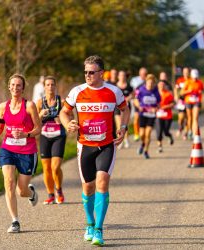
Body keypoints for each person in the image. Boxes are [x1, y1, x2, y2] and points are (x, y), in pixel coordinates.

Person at [59, 55, 130, 246]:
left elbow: (125, 110)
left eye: (91, 72)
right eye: (85, 72)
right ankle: (89, 223)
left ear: (101, 73)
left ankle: (99, 229)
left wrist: (123, 128)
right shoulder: (77, 92)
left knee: (102, 181)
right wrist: (68, 124)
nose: (88, 75)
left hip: (106, 145)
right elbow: (64, 112)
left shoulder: (114, 92)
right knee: (88, 188)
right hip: (85, 146)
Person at [0, 74, 41, 233]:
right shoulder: (2, 106)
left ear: (23, 88)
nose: (15, 88)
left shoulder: (30, 106)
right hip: (8, 149)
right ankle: (15, 221)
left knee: (22, 190)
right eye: (12, 85)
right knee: (8, 182)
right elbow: (0, 125)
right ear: (9, 87)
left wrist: (26, 135)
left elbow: (38, 129)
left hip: (27, 151)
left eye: (18, 85)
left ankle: (31, 192)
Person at [36, 76, 67, 204]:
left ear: (55, 86)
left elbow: (70, 118)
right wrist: (40, 115)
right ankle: (50, 195)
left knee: (55, 167)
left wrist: (63, 120)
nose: (50, 87)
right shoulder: (39, 103)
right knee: (46, 168)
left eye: (52, 85)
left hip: (58, 136)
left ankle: (58, 190)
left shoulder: (62, 101)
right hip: (44, 136)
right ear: (44, 87)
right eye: (47, 85)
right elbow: (34, 122)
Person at [133, 74, 161, 159]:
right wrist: (139, 107)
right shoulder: (141, 90)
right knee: (142, 134)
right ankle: (142, 143)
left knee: (148, 133)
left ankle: (146, 151)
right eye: (149, 83)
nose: (150, 85)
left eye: (152, 83)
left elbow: (159, 103)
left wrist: (156, 108)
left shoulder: (156, 91)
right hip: (143, 114)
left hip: (151, 115)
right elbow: (135, 100)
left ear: (154, 83)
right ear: (146, 82)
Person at [181, 69, 204, 140]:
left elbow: (202, 90)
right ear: (191, 76)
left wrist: (200, 91)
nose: (195, 79)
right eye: (194, 77)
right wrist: (188, 91)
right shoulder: (188, 82)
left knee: (195, 118)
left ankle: (194, 134)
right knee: (189, 117)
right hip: (188, 101)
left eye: (196, 77)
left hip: (196, 101)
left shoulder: (200, 82)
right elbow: (182, 92)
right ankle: (189, 130)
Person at [115, 70, 133, 149]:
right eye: (121, 75)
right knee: (119, 124)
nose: (122, 77)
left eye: (123, 75)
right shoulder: (115, 86)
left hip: (126, 108)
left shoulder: (129, 86)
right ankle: (119, 141)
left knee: (124, 124)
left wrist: (128, 98)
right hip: (117, 107)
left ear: (125, 77)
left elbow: (133, 95)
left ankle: (126, 139)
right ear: (118, 76)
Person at [156, 80, 175, 153]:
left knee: (166, 131)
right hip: (158, 116)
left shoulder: (168, 94)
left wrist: (165, 107)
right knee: (159, 131)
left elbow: (173, 104)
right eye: (160, 85)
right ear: (157, 86)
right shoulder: (155, 94)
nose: (161, 86)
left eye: (163, 85)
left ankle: (170, 136)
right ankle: (160, 146)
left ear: (165, 86)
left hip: (167, 116)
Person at [130, 67, 148, 141]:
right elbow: (131, 90)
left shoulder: (148, 80)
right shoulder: (134, 80)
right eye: (142, 74)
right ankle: (136, 134)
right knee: (136, 118)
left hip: (146, 103)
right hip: (137, 101)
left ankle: (144, 133)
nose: (143, 75)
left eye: (145, 74)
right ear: (139, 73)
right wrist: (133, 100)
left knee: (145, 119)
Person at [174, 67, 190, 139]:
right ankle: (180, 127)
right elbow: (176, 88)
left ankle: (186, 133)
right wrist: (176, 96)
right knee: (181, 117)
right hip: (181, 101)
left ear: (189, 72)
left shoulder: (191, 80)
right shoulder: (179, 80)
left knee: (187, 118)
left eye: (187, 71)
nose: (185, 73)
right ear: (183, 72)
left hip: (189, 101)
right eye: (184, 71)